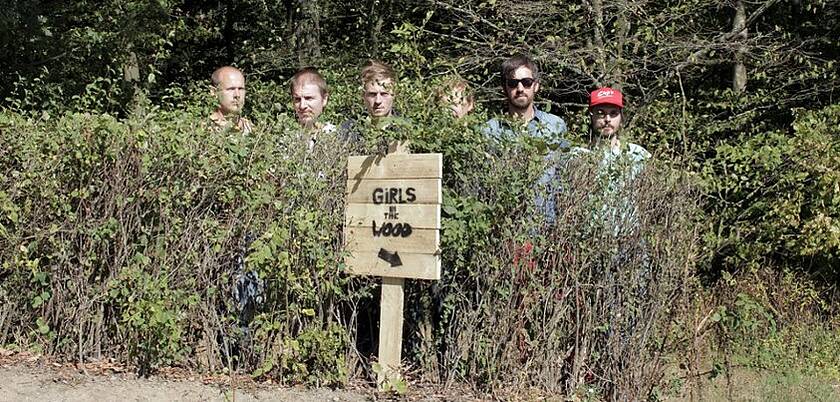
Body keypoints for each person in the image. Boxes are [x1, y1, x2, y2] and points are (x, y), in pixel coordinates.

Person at [483, 54, 568, 146]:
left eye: (527, 82)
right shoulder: (489, 131)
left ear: (536, 86)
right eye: (513, 83)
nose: (520, 89)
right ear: (504, 88)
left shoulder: (556, 125)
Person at [290, 67, 335, 150]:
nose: (302, 106)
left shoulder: (337, 137)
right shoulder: (287, 140)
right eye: (297, 99)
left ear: (324, 99)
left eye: (308, 98)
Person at [209, 66, 253, 134]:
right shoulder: (204, 129)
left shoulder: (252, 129)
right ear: (214, 92)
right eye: (231, 89)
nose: (237, 95)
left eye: (240, 89)